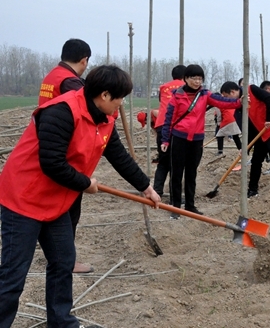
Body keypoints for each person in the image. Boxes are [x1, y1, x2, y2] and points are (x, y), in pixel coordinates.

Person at [0, 65, 161, 328]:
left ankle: (62, 322)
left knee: (63, 263)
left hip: (57, 201)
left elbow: (118, 155)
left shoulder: (105, 119)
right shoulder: (61, 111)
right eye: (120, 98)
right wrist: (85, 183)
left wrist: (146, 187)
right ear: (106, 95)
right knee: (13, 275)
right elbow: (51, 162)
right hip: (23, 199)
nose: (121, 105)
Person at [38, 38, 91, 274]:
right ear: (84, 60)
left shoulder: (52, 76)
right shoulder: (71, 83)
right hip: (65, 152)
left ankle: (60, 254)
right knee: (70, 208)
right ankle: (67, 259)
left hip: (47, 144)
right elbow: (88, 105)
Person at [161, 65, 240, 219]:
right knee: (176, 174)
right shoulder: (177, 96)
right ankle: (175, 208)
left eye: (199, 78)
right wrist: (165, 140)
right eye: (193, 78)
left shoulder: (205, 95)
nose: (197, 81)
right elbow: (168, 119)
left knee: (191, 173)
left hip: (196, 140)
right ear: (186, 79)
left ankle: (190, 205)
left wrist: (238, 103)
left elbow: (223, 102)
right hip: (179, 138)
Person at [153, 65, 186, 203]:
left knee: (163, 162)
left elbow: (163, 102)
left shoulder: (163, 87)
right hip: (177, 128)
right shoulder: (186, 87)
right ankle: (174, 197)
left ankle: (156, 193)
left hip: (161, 126)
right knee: (176, 163)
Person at [215, 81, 243, 152]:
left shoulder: (220, 103)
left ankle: (220, 151)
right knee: (235, 136)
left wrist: (219, 124)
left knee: (219, 135)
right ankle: (242, 150)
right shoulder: (230, 101)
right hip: (235, 119)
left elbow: (219, 115)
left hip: (228, 120)